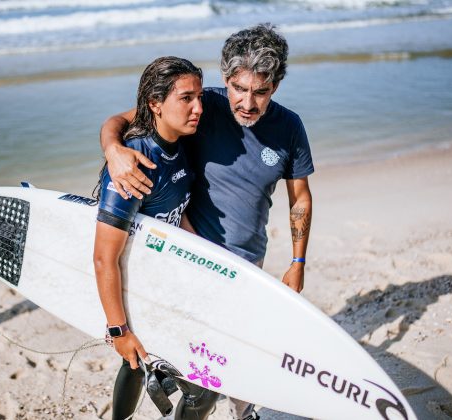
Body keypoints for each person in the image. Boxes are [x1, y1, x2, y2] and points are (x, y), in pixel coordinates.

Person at [100, 24, 314, 420]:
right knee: (200, 370)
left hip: (247, 263)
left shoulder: (289, 127)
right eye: (238, 88)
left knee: (224, 362)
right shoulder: (204, 105)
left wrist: (298, 262)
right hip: (190, 256)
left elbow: (299, 198)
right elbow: (122, 120)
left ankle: (243, 410)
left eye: (260, 92)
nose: (247, 102)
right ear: (225, 80)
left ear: (276, 86)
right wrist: (114, 150)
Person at [93, 56, 203, 420]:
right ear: (156, 104)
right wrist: (118, 328)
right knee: (142, 362)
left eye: (199, 97)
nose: (198, 107)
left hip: (168, 282)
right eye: (186, 98)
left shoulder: (179, 144)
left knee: (140, 365)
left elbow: (177, 210)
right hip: (138, 291)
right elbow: (103, 258)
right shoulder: (133, 161)